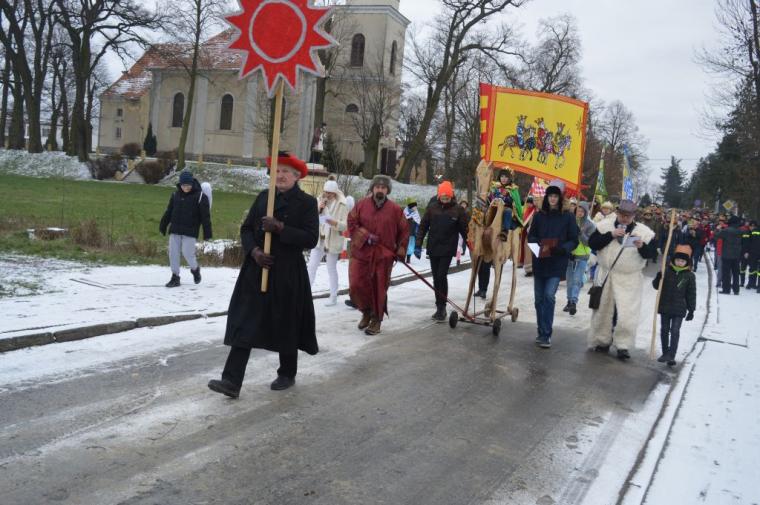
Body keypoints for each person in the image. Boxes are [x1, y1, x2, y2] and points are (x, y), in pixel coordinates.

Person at [207, 153, 318, 397]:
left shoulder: (307, 203)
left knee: (285, 322)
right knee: (245, 321)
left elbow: (311, 239)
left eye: (285, 171)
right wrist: (254, 251)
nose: (280, 175)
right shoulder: (263, 198)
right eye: (277, 171)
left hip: (287, 272)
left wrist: (280, 228)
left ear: (297, 176)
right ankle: (231, 381)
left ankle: (287, 372)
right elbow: (246, 229)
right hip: (257, 270)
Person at [587, 199, 658, 360]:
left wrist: (642, 246)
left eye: (628, 215)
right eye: (622, 215)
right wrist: (610, 235)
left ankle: (623, 345)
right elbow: (593, 243)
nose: (625, 218)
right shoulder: (604, 226)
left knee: (626, 314)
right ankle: (602, 340)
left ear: (634, 216)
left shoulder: (644, 232)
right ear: (617, 213)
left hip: (629, 278)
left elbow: (651, 254)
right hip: (607, 275)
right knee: (603, 310)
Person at [348, 175, 410, 335]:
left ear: (387, 190)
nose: (380, 190)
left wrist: (401, 249)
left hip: (383, 255)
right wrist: (365, 235)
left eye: (383, 187)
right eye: (377, 187)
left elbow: (404, 231)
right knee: (357, 284)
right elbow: (351, 223)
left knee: (379, 288)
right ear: (372, 188)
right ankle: (366, 311)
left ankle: (376, 319)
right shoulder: (361, 205)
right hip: (361, 253)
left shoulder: (396, 210)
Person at [527, 180, 579, 348]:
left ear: (560, 198)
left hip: (557, 262)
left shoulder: (568, 216)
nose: (552, 199)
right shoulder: (539, 215)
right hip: (540, 261)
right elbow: (531, 236)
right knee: (538, 299)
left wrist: (563, 249)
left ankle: (546, 334)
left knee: (549, 296)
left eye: (556, 196)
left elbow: (574, 240)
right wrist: (538, 246)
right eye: (550, 196)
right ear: (546, 197)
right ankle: (541, 331)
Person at [416, 181, 469, 321]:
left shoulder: (458, 210)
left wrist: (471, 245)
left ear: (451, 196)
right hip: (434, 247)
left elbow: (465, 230)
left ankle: (442, 306)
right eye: (443, 197)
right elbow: (423, 226)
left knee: (441, 275)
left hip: (448, 248)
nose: (445, 200)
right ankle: (439, 306)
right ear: (439, 196)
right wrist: (418, 244)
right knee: (435, 277)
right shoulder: (432, 208)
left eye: (447, 197)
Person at [159, 169, 212, 288]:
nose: (186, 188)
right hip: (175, 229)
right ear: (180, 184)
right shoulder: (175, 195)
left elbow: (205, 217)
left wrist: (207, 233)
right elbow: (169, 211)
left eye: (188, 185)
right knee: (173, 253)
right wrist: (163, 225)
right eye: (183, 185)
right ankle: (175, 277)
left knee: (188, 253)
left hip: (190, 231)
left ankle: (195, 269)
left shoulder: (200, 197)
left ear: (192, 183)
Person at [652, 245, 696, 366]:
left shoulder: (689, 276)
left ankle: (671, 355)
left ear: (686, 263)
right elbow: (656, 286)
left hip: (679, 308)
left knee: (675, 331)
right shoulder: (666, 271)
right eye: (678, 260)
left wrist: (691, 310)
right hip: (665, 306)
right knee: (664, 330)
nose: (680, 262)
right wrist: (658, 277)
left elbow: (691, 294)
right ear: (674, 260)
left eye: (682, 261)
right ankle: (665, 353)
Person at [307, 179, 349, 306]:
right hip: (319, 239)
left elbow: (345, 226)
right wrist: (318, 210)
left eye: (330, 193)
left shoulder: (342, 204)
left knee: (331, 268)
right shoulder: (319, 200)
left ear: (335, 192)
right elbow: (310, 218)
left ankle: (333, 296)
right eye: (325, 192)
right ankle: (305, 294)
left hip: (332, 240)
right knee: (311, 267)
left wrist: (334, 223)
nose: (327, 194)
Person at [564, 201, 595, 316]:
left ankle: (573, 302)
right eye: (578, 210)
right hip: (570, 255)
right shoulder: (570, 221)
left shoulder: (590, 225)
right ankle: (569, 301)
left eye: (582, 211)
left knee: (577, 280)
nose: (580, 213)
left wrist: (581, 233)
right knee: (569, 280)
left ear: (586, 212)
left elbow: (589, 242)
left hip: (582, 256)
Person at [716, 215, 743, 295]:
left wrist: (718, 229)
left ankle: (726, 289)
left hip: (726, 255)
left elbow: (717, 236)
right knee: (736, 273)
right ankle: (736, 290)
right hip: (737, 255)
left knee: (726, 273)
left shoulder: (726, 230)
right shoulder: (740, 231)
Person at [520, 196, 537, 276]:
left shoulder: (535, 211)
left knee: (533, 252)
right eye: (527, 203)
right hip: (527, 234)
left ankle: (534, 269)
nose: (528, 205)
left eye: (530, 203)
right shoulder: (527, 211)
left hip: (534, 234)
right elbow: (524, 221)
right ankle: (529, 270)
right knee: (527, 252)